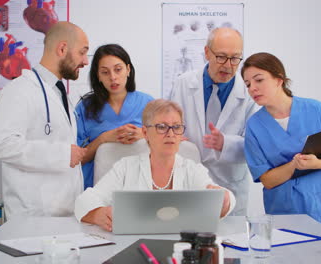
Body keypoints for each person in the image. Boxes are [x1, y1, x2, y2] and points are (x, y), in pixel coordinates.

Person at [74, 99, 236, 231]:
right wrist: (97, 214)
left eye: (176, 127)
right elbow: (84, 200)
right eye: (162, 127)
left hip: (181, 249)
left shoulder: (192, 169)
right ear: (145, 133)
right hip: (133, 247)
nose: (171, 134)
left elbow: (222, 199)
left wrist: (224, 200)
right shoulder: (125, 168)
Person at [241, 52, 321, 238]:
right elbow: (267, 180)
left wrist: (317, 163)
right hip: (285, 212)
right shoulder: (254, 126)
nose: (253, 88)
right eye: (247, 84)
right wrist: (294, 165)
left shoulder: (317, 110)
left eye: (259, 80)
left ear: (279, 79)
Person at [0, 22, 89, 219]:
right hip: (34, 216)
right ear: (62, 49)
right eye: (82, 52)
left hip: (65, 213)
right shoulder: (19, 90)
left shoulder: (58, 92)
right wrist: (62, 154)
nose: (85, 61)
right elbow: (0, 144)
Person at [170, 27, 257, 215]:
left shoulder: (250, 94)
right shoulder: (183, 84)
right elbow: (170, 124)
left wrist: (226, 143)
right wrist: (174, 135)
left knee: (231, 240)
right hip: (189, 182)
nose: (228, 65)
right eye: (221, 57)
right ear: (207, 53)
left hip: (230, 185)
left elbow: (255, 144)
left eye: (235, 58)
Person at [76, 44, 153, 189]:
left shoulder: (148, 103)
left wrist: (145, 135)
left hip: (140, 186)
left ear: (128, 70)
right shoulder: (85, 108)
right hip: (97, 186)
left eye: (118, 70)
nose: (113, 77)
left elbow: (170, 141)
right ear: (97, 76)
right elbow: (77, 159)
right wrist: (103, 138)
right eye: (105, 72)